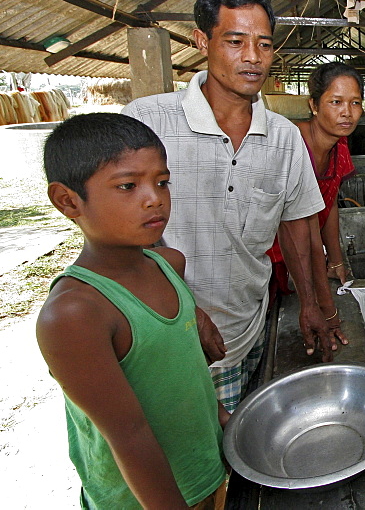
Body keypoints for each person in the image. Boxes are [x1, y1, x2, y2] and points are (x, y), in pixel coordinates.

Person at [123, 0, 334, 413]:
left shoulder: (283, 138)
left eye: (264, 44)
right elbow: (118, 237)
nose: (253, 57)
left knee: (242, 453)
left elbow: (296, 226)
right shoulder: (147, 122)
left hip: (248, 330)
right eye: (236, 41)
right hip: (166, 339)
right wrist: (188, 312)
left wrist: (309, 305)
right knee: (187, 464)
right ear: (203, 41)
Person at [37, 113, 227, 509]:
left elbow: (181, 375)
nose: (154, 198)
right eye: (128, 185)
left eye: (162, 182)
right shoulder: (76, 314)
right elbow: (129, 434)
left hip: (203, 471)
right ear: (68, 200)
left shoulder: (168, 265)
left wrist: (223, 418)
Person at [266, 62, 365, 345]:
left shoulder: (339, 145)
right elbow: (304, 226)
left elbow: (329, 202)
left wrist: (336, 261)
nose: (347, 113)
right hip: (271, 253)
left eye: (355, 103)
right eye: (336, 102)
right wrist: (327, 308)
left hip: (301, 254)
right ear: (314, 105)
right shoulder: (293, 144)